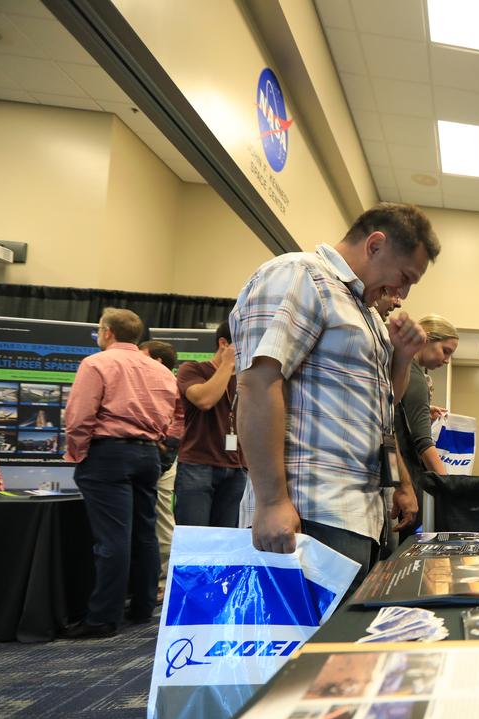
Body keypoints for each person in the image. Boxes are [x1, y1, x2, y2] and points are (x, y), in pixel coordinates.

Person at [231, 203, 439, 576]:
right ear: (375, 245)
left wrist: (403, 357)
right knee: (308, 634)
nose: (402, 293)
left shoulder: (366, 311)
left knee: (344, 634)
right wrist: (271, 500)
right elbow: (258, 384)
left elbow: (381, 411)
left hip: (360, 516)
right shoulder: (299, 275)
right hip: (310, 513)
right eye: (404, 277)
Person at [62, 308, 177, 638]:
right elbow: (175, 416)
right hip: (148, 455)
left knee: (112, 539)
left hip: (108, 453)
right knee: (144, 533)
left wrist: (78, 451)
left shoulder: (97, 363)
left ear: (108, 332)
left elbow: (79, 416)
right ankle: (141, 608)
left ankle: (102, 618)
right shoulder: (160, 370)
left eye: (100, 329)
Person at [174, 320, 246, 530]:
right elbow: (204, 400)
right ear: (224, 344)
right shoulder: (193, 369)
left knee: (225, 543)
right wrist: (227, 364)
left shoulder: (246, 379)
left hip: (237, 468)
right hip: (198, 465)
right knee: (194, 539)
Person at [394, 314, 459, 520]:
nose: (446, 360)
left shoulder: (403, 369)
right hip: (406, 476)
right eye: (445, 351)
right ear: (427, 338)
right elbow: (423, 443)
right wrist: (450, 488)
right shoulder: (415, 377)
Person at [139, 339, 184, 582]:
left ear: (157, 361)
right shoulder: (140, 385)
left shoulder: (171, 385)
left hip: (163, 458)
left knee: (163, 519)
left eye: (142, 355)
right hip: (148, 456)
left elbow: (181, 418)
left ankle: (164, 581)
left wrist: (166, 445)